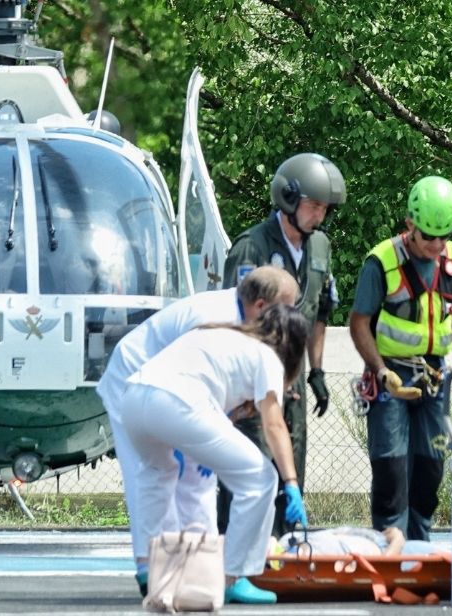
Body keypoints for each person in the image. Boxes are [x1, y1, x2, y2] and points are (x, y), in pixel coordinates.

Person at [97, 266, 298, 595]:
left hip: (150, 391)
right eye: (287, 307)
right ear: (262, 306)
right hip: (141, 379)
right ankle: (213, 575)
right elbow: (187, 373)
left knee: (168, 475)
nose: (290, 316)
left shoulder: (238, 316)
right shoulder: (215, 316)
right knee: (169, 477)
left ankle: (178, 570)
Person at [349, 175, 452, 540]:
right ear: (410, 224)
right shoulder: (381, 262)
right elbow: (359, 323)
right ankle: (389, 540)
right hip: (391, 374)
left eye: (444, 235)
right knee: (391, 465)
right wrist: (380, 372)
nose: (437, 245)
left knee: (430, 465)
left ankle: (419, 543)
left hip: (434, 376)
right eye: (428, 236)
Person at [219, 153, 346, 536]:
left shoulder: (320, 247)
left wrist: (317, 370)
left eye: (324, 208)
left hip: (294, 374)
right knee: (252, 465)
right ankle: (239, 551)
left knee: (291, 460)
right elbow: (236, 318)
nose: (318, 216)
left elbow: (322, 309)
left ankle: (285, 548)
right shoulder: (252, 247)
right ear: (289, 199)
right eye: (312, 205)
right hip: (252, 375)